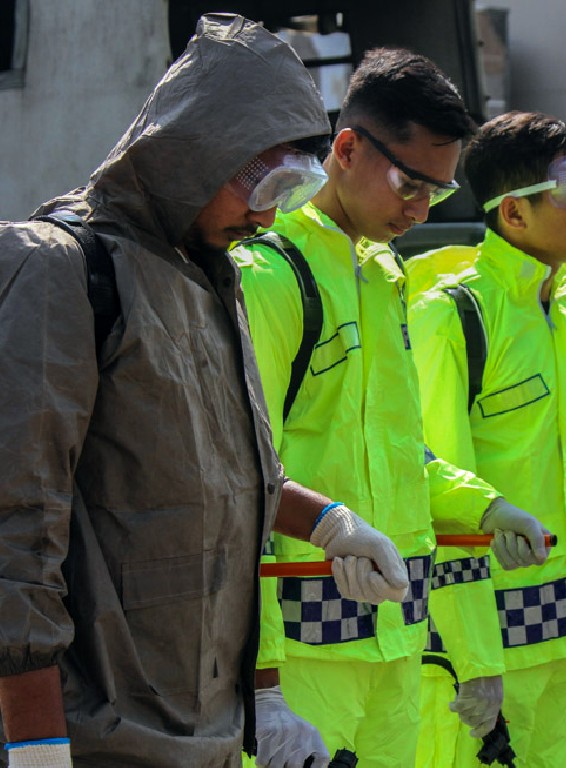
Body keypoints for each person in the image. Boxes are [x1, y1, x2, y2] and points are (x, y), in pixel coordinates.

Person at [0, 15, 410, 768]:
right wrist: (35, 745)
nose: (264, 215)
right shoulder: (65, 268)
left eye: (287, 191)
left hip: (208, 734)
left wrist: (330, 524)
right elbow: (15, 529)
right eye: (256, 183)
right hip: (93, 738)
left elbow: (232, 481)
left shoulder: (213, 280)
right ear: (190, 152)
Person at [230, 49, 548, 768]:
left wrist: (485, 507)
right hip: (308, 658)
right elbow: (243, 487)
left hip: (399, 648)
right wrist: (266, 684)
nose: (419, 208)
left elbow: (401, 456)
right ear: (345, 149)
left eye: (437, 191)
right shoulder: (271, 276)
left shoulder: (384, 276)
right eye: (409, 182)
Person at [406, 111, 566, 768]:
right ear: (513, 214)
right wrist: (472, 658)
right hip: (486, 659)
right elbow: (438, 497)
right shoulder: (453, 317)